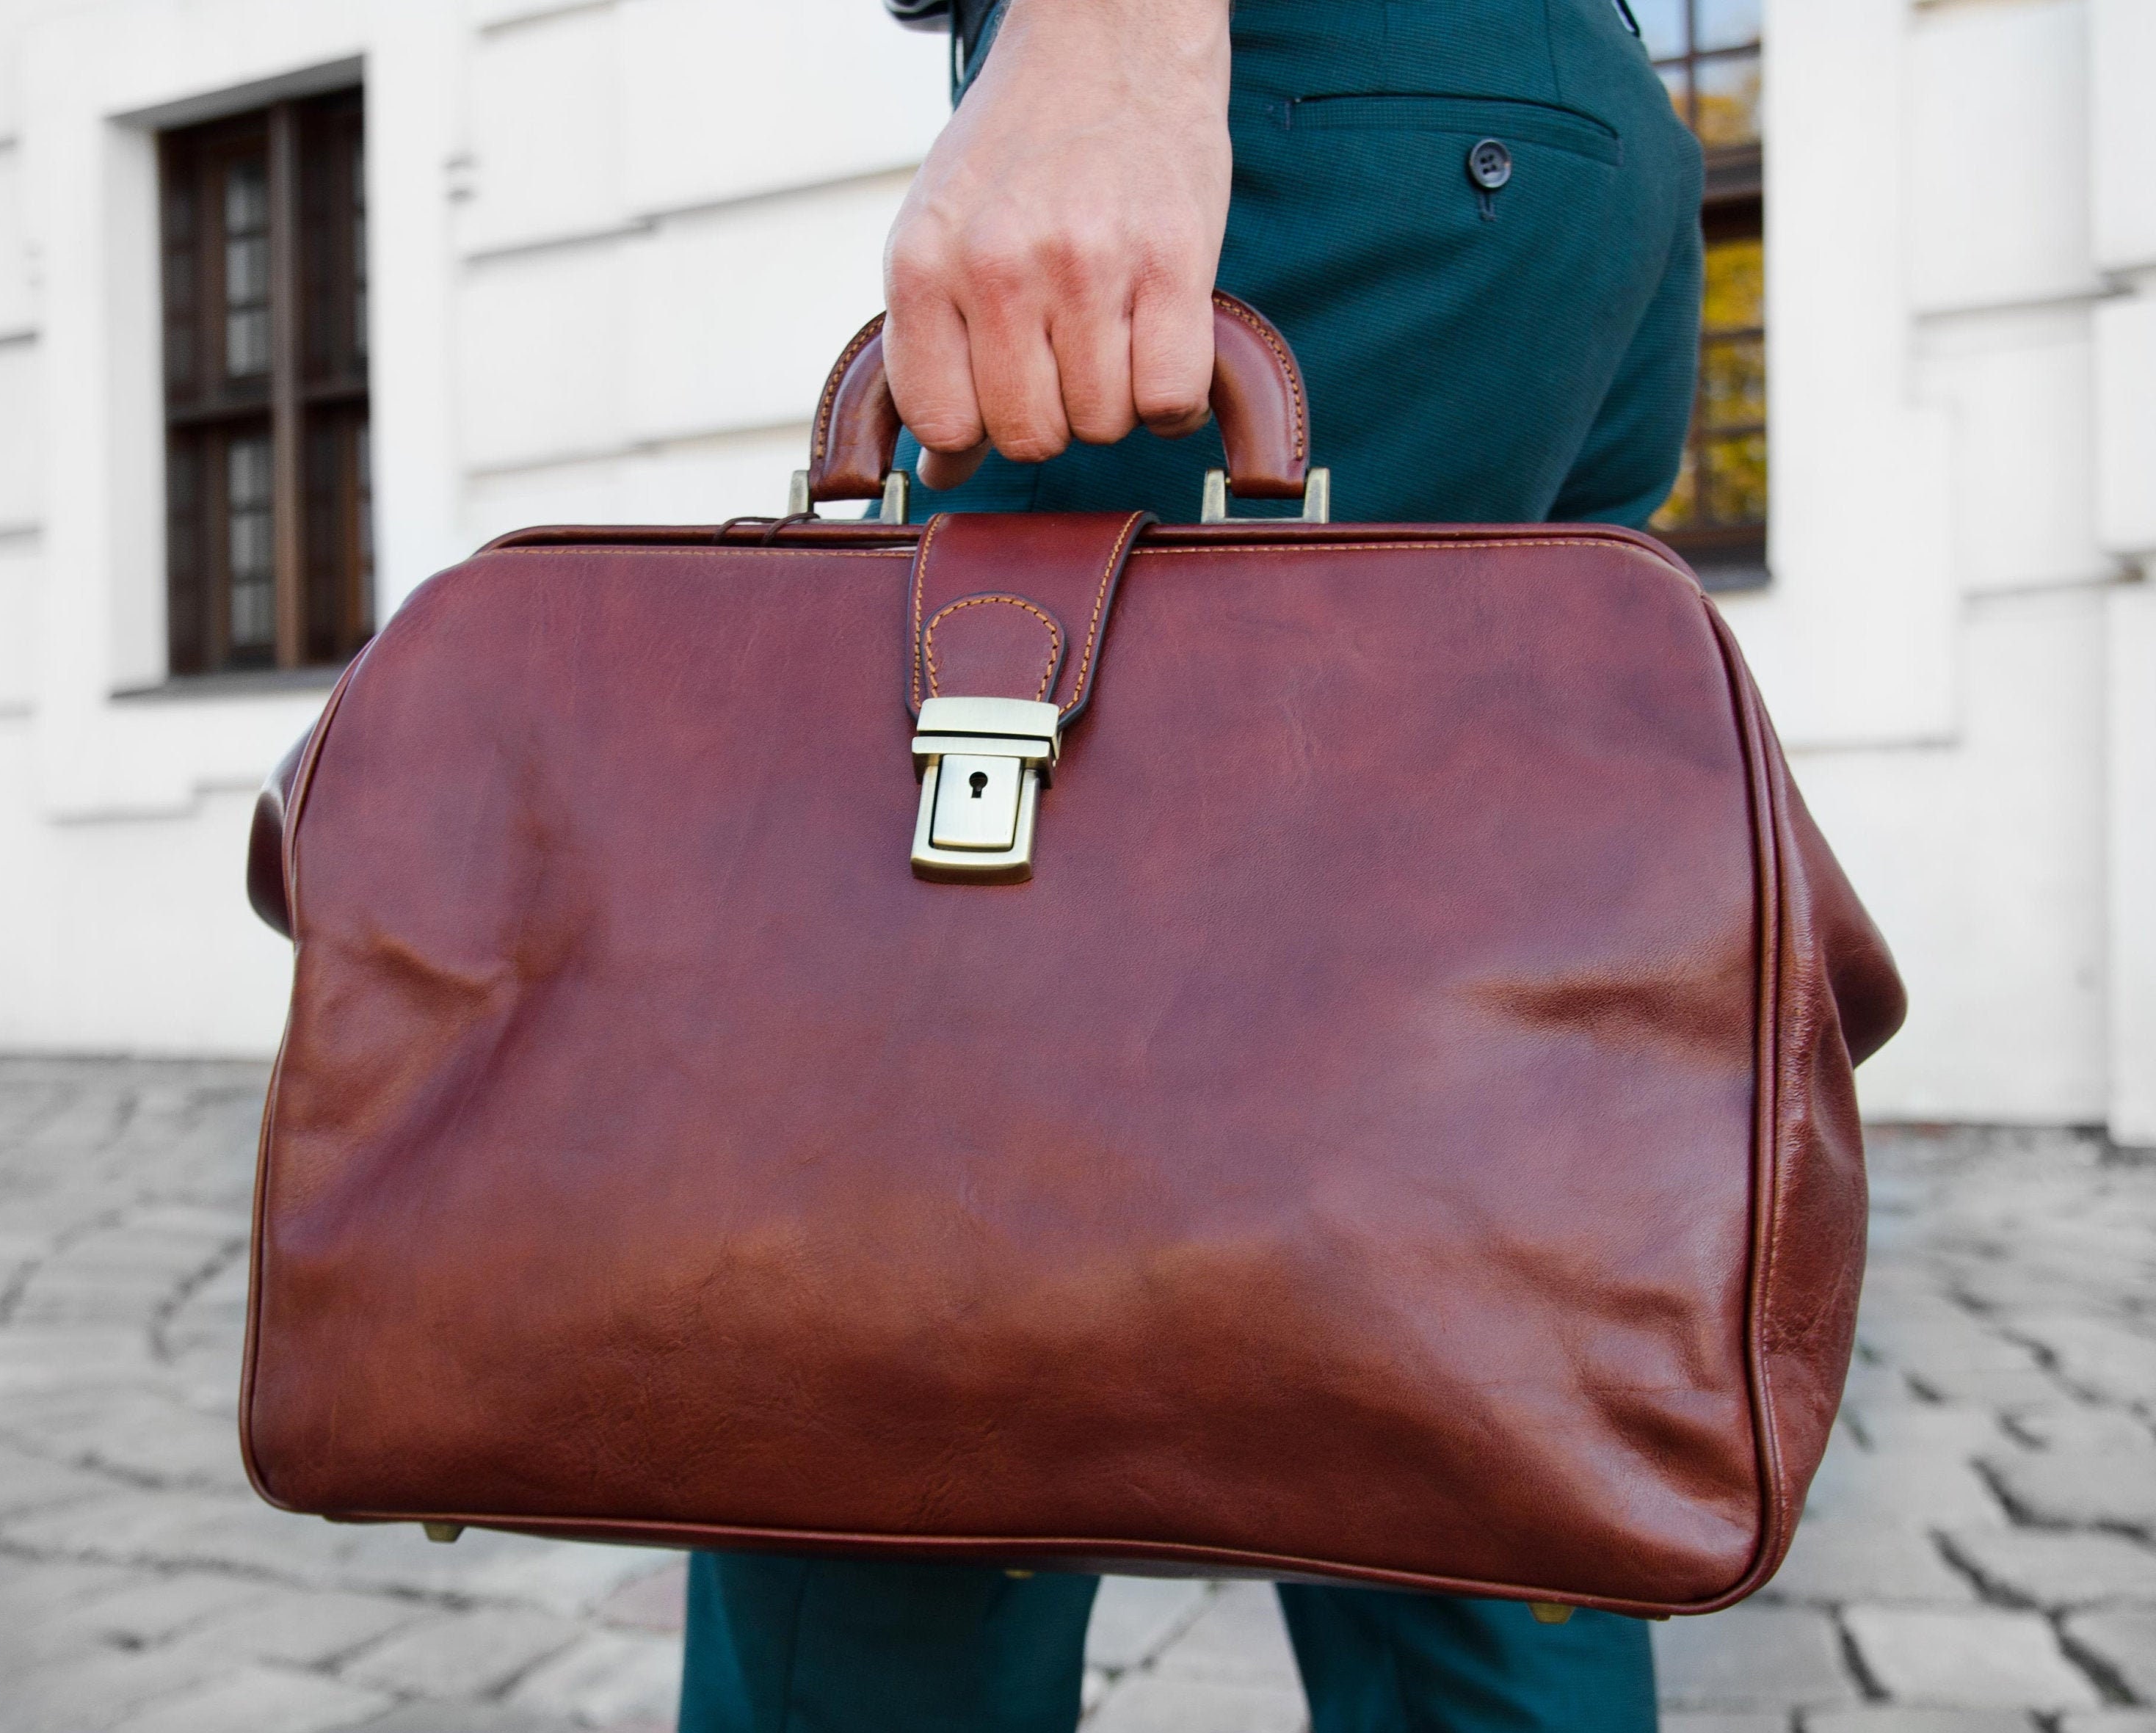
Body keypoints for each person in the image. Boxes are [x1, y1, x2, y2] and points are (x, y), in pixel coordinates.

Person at [683, 0, 1701, 1725]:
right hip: (1560, 142)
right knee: (1450, 1230)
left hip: (1295, 93)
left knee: (921, 1214)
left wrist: (1101, 51)